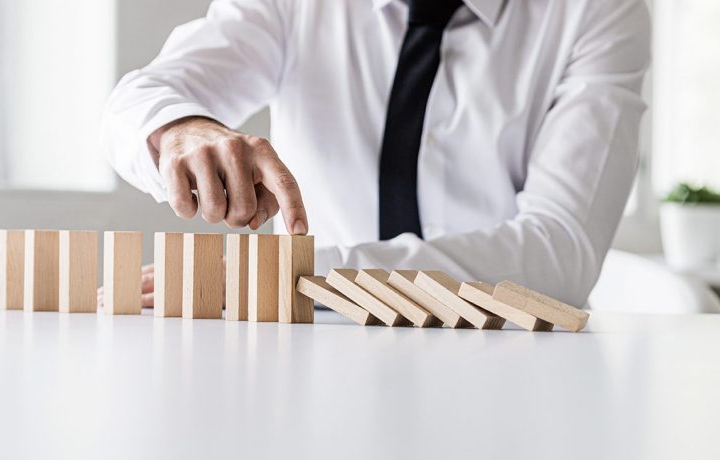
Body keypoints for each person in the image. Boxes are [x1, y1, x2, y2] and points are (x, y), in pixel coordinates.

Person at [101, 0, 650, 308]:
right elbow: (139, 99)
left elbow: (560, 253)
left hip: (509, 361)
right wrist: (179, 127)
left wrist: (301, 275)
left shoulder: (596, 11)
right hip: (305, 370)